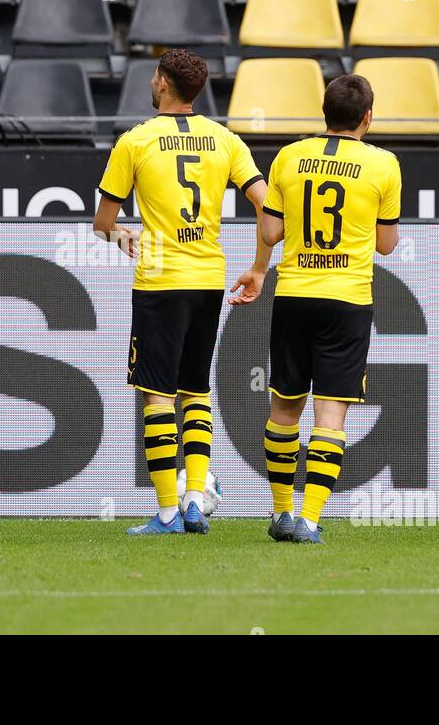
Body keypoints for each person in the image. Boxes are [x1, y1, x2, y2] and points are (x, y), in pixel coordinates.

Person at [93, 48, 271, 536]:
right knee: (196, 389)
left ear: (164, 85)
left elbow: (102, 223)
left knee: (156, 395)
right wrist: (259, 266)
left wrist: (121, 235)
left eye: (155, 76)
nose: (152, 82)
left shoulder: (135, 141)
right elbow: (267, 205)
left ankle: (168, 512)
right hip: (208, 279)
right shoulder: (225, 140)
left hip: (160, 280)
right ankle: (196, 495)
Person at [257, 74, 401, 545]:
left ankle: (280, 512)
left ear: (324, 112)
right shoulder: (384, 165)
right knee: (331, 415)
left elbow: (271, 234)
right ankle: (311, 520)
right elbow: (385, 245)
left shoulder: (288, 156)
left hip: (294, 293)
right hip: (347, 299)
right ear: (367, 118)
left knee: (284, 407)